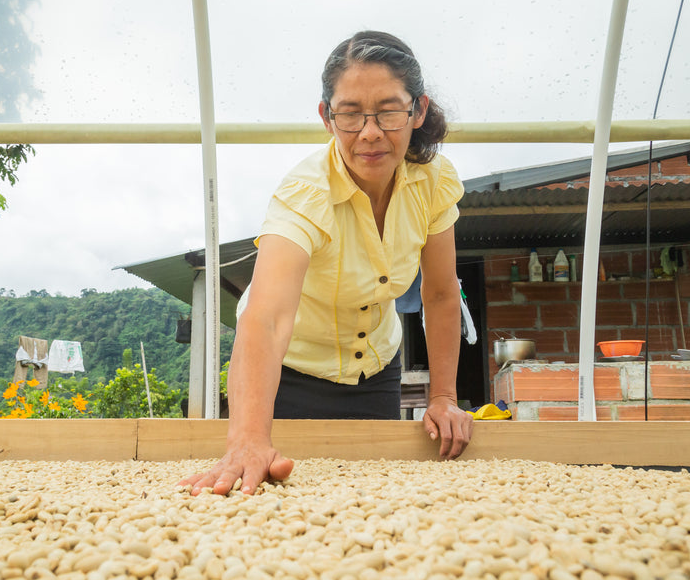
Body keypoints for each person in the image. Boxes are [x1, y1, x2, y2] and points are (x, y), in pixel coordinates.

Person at [180, 31, 473, 496]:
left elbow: (439, 293)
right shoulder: (305, 194)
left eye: (389, 111)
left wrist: (443, 398)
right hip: (290, 375)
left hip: (376, 371)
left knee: (368, 498)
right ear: (327, 117)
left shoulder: (434, 181)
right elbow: (268, 317)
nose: (370, 132)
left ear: (417, 110)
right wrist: (248, 439)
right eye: (351, 114)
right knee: (280, 496)